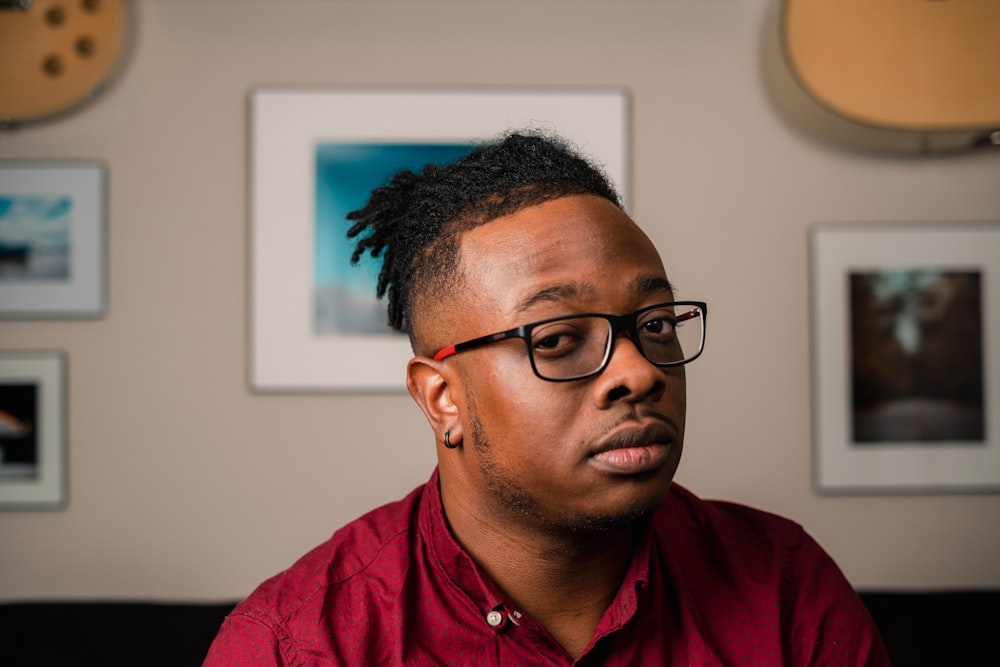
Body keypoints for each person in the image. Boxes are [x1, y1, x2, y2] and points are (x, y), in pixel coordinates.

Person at [204, 131, 890, 665]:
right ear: (442, 398)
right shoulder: (296, 645)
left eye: (655, 326)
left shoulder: (783, 586)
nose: (640, 372)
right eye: (559, 339)